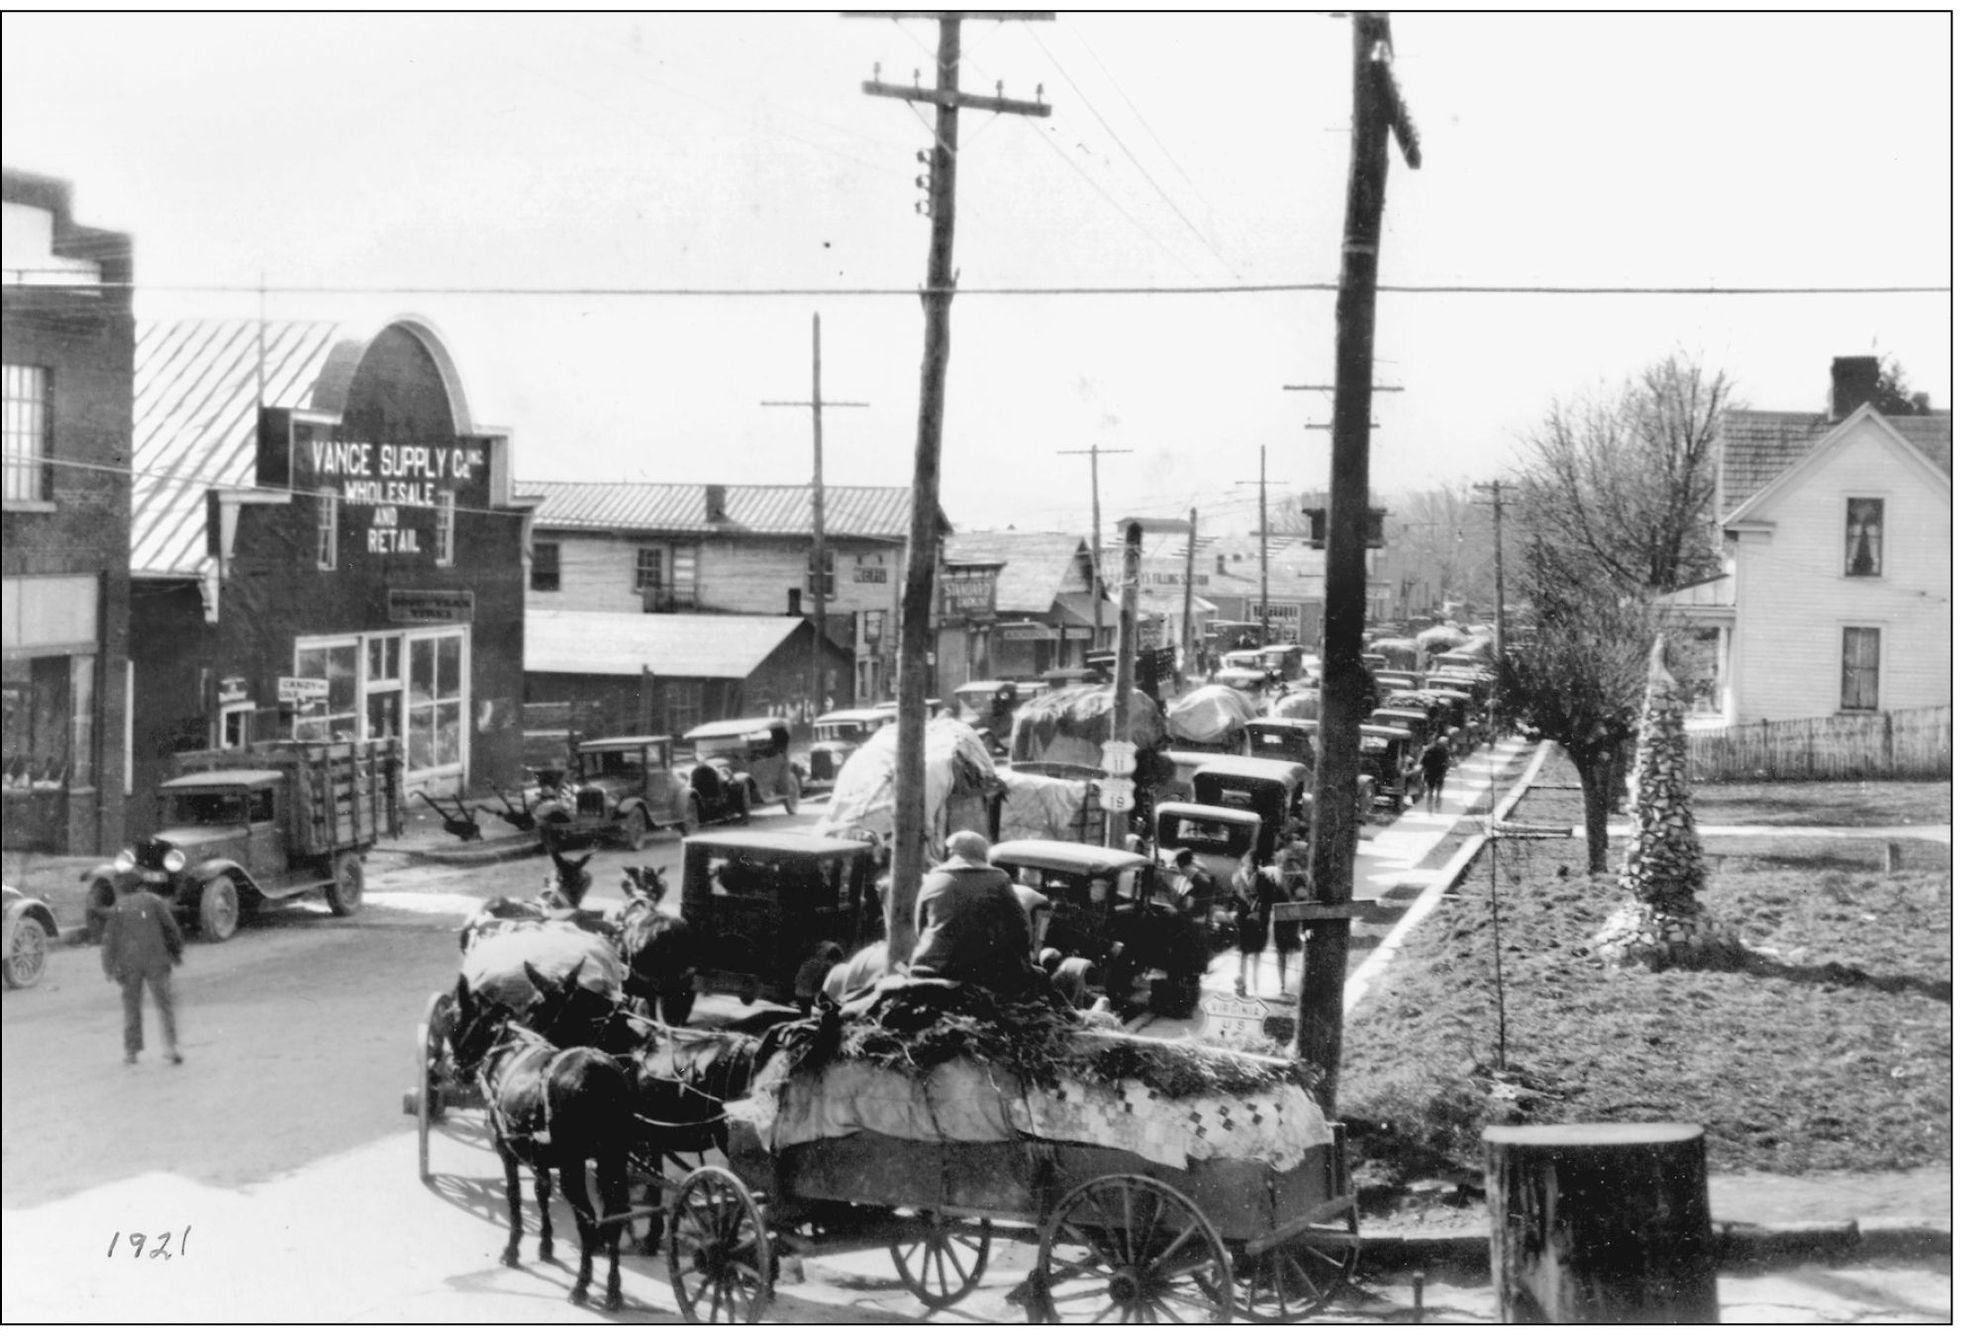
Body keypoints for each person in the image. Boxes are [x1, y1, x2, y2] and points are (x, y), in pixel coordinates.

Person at [909, 831, 1035, 995]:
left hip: (927, 968)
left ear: (952, 853)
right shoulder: (999, 879)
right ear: (982, 854)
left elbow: (919, 927)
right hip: (981, 974)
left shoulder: (933, 878)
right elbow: (1021, 928)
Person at [102, 865, 185, 1065]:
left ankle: (132, 1052)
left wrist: (109, 967)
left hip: (129, 964)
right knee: (164, 1005)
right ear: (141, 886)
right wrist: (176, 952)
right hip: (156, 960)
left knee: (132, 1007)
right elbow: (171, 929)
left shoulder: (118, 908)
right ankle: (171, 1047)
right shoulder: (154, 901)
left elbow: (110, 941)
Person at [793, 941, 844, 1017]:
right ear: (831, 960)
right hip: (807, 995)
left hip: (800, 993)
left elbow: (798, 979)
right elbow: (819, 986)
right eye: (836, 962)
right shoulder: (822, 967)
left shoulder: (812, 962)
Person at [1421, 732, 1452, 812]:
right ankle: (1437, 807)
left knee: (1430, 790)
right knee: (1438, 791)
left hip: (1430, 773)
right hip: (1440, 773)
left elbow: (1424, 761)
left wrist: (1425, 769)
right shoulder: (1445, 751)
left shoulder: (1430, 749)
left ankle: (1429, 806)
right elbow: (1447, 762)